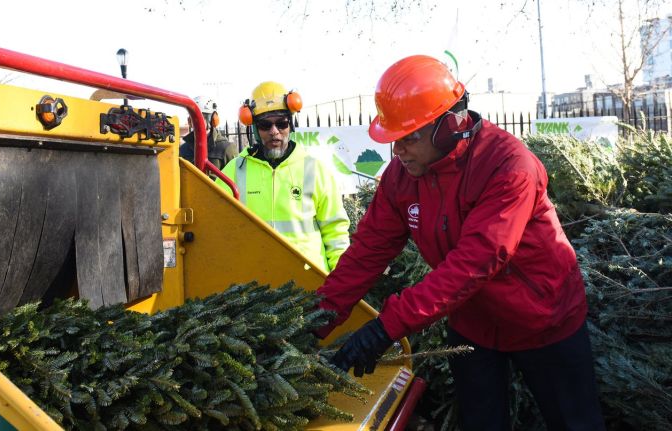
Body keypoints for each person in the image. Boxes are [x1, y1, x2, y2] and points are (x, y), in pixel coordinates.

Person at [315, 55, 605, 430]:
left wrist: (385, 328)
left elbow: (475, 262)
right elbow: (367, 252)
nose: (398, 151)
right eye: (394, 140)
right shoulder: (402, 177)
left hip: (543, 319)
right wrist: (317, 318)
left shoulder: (508, 166)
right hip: (473, 325)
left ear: (449, 125)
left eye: (409, 137)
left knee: (574, 423)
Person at [215, 81, 350, 272]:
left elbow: (335, 232)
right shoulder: (234, 170)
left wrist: (341, 282)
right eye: (265, 125)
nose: (274, 132)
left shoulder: (314, 169)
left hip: (309, 282)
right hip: (254, 285)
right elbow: (215, 224)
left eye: (282, 123)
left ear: (291, 125)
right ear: (254, 129)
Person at [179, 96, 238, 177]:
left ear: (212, 119)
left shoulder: (226, 148)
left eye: (199, 117)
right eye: (192, 117)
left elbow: (236, 178)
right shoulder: (183, 150)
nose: (195, 121)